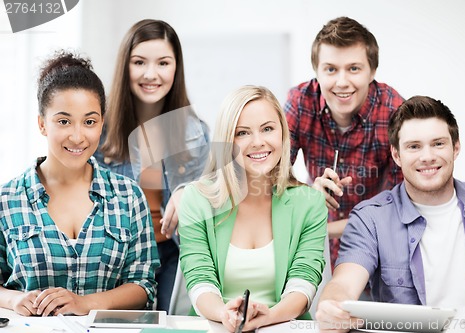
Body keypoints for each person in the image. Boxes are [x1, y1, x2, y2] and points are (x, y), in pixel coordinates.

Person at [316, 96, 465, 332]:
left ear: (456, 148)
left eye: (438, 144)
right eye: (414, 146)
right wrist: (332, 306)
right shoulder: (370, 219)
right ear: (396, 155)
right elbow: (343, 283)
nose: (427, 157)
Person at [0, 50, 160, 317]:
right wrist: (13, 299)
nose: (77, 136)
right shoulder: (7, 199)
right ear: (42, 124)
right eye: (63, 121)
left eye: (89, 122)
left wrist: (87, 303)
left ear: (101, 124)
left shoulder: (128, 195)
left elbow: (144, 285)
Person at [178, 86, 328, 331]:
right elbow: (198, 277)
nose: (258, 142)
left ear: (282, 133)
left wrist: (268, 317)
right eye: (242, 133)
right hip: (215, 326)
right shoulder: (196, 199)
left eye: (268, 129)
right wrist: (223, 314)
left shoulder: (309, 203)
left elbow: (304, 281)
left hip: (283, 325)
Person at [94, 19, 210, 312]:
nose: (151, 74)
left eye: (163, 63)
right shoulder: (99, 131)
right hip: (121, 259)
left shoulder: (194, 132)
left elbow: (212, 198)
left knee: (178, 324)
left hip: (175, 250)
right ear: (125, 66)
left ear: (176, 67)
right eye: (139, 62)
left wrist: (190, 191)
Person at [284, 16, 405, 266]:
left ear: (372, 71)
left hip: (379, 245)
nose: (342, 82)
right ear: (316, 71)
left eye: (353, 68)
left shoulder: (394, 110)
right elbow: (269, 175)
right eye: (330, 69)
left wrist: (319, 229)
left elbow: (399, 205)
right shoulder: (300, 101)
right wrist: (305, 195)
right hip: (316, 251)